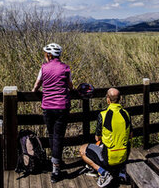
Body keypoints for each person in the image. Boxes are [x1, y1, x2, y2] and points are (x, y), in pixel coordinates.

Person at [32, 42, 73, 183]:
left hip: (48, 106)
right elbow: (70, 86)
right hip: (62, 106)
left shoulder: (44, 68)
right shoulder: (66, 68)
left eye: (45, 54)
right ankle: (56, 166)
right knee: (59, 136)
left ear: (49, 55)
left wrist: (33, 92)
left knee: (51, 134)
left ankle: (54, 164)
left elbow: (37, 85)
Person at [79, 88, 131, 187]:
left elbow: (97, 138)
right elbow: (130, 135)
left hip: (108, 158)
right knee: (126, 142)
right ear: (120, 99)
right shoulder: (126, 114)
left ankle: (103, 172)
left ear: (108, 99)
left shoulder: (103, 115)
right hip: (123, 157)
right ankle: (121, 170)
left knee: (82, 149)